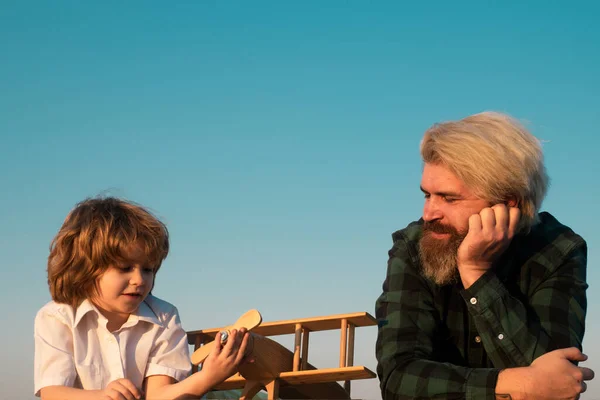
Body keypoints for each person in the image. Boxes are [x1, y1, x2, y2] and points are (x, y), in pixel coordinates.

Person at [375, 111, 594, 400]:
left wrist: (477, 274)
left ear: (506, 203)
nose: (429, 213)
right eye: (427, 195)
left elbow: (557, 384)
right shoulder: (412, 246)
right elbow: (398, 378)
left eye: (449, 198)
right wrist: (513, 384)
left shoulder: (558, 250)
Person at [34, 196, 250, 400]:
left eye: (148, 269)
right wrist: (102, 396)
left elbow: (158, 395)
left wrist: (209, 376)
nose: (139, 279)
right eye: (124, 268)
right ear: (86, 268)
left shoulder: (164, 317)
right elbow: (52, 392)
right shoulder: (57, 317)